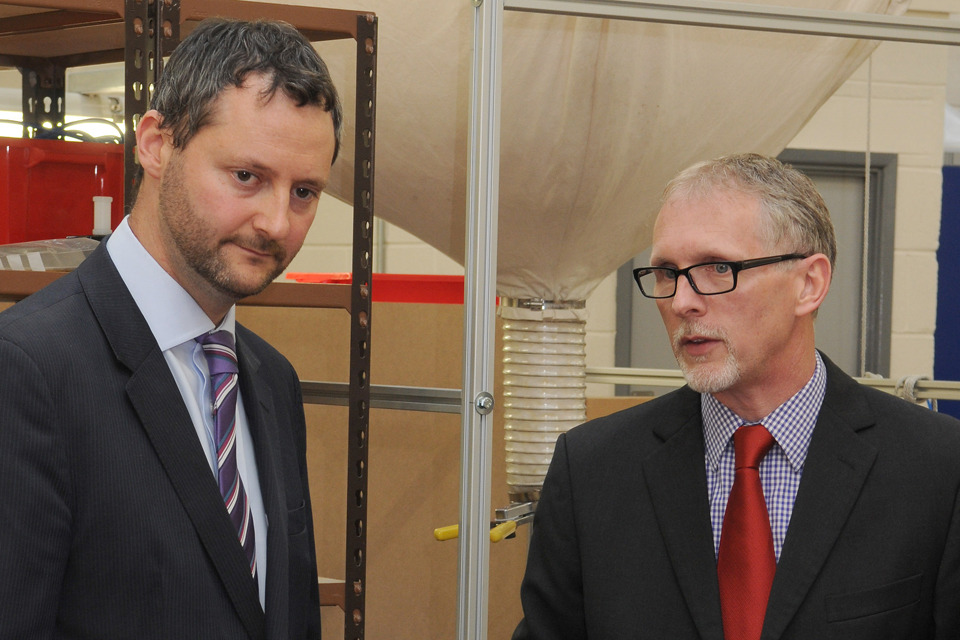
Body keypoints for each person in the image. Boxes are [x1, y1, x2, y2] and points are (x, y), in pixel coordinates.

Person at [512, 153, 960, 639]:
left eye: (717, 267)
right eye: (666, 272)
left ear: (809, 284)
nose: (682, 301)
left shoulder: (937, 468)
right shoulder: (592, 470)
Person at [0, 18, 341, 639]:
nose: (276, 223)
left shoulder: (271, 379)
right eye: (247, 176)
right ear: (157, 145)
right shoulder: (27, 371)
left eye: (304, 192)